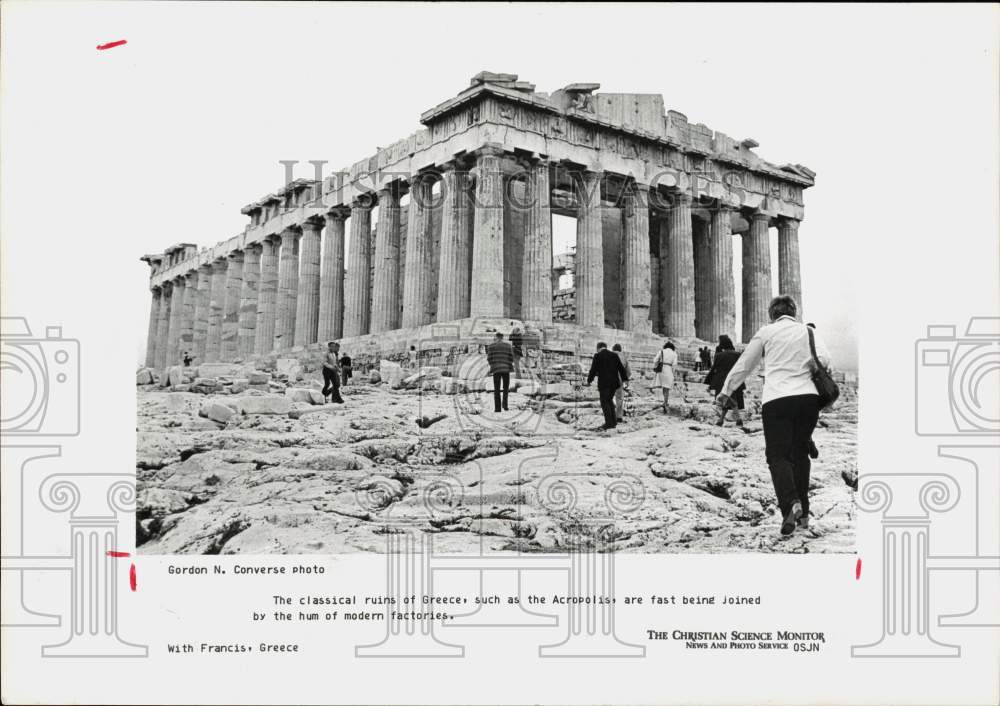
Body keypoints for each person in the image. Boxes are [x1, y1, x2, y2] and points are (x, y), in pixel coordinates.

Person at [715, 295, 832, 537]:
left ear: (771, 314)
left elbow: (745, 364)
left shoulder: (766, 332)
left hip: (777, 399)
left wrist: (726, 391)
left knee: (778, 455)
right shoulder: (807, 331)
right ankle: (805, 517)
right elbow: (826, 360)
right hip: (808, 400)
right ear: (794, 312)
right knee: (800, 454)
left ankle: (791, 505)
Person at [586, 341, 629, 431]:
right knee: (609, 401)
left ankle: (609, 423)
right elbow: (621, 368)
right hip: (614, 383)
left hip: (604, 384)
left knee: (604, 402)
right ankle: (613, 422)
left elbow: (593, 370)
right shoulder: (614, 355)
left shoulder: (597, 356)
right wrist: (625, 380)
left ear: (598, 348)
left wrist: (589, 381)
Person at [704, 335, 745, 426]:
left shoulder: (719, 355)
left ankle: (736, 419)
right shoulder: (738, 354)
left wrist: (709, 382)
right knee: (728, 399)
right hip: (735, 379)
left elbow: (714, 369)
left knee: (727, 399)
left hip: (722, 380)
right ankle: (722, 420)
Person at [485, 332, 514, 413]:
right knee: (505, 388)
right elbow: (511, 357)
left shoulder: (491, 346)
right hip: (506, 369)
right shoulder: (508, 346)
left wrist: (493, 365)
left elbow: (489, 358)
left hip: (496, 369)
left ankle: (497, 408)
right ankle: (505, 406)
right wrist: (507, 364)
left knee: (496, 389)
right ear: (502, 338)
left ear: (496, 337)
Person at [651, 341, 678, 414]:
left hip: (662, 370)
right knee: (667, 387)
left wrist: (656, 365)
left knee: (664, 387)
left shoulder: (662, 351)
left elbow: (655, 360)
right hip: (669, 369)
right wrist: (673, 373)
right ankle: (665, 402)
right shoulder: (674, 353)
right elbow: (674, 365)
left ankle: (665, 402)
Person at [611, 343, 632, 423]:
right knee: (619, 398)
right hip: (619, 380)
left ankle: (610, 415)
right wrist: (625, 380)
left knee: (608, 397)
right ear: (620, 350)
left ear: (613, 349)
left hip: (609, 378)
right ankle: (619, 417)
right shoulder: (624, 357)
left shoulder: (610, 354)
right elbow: (629, 372)